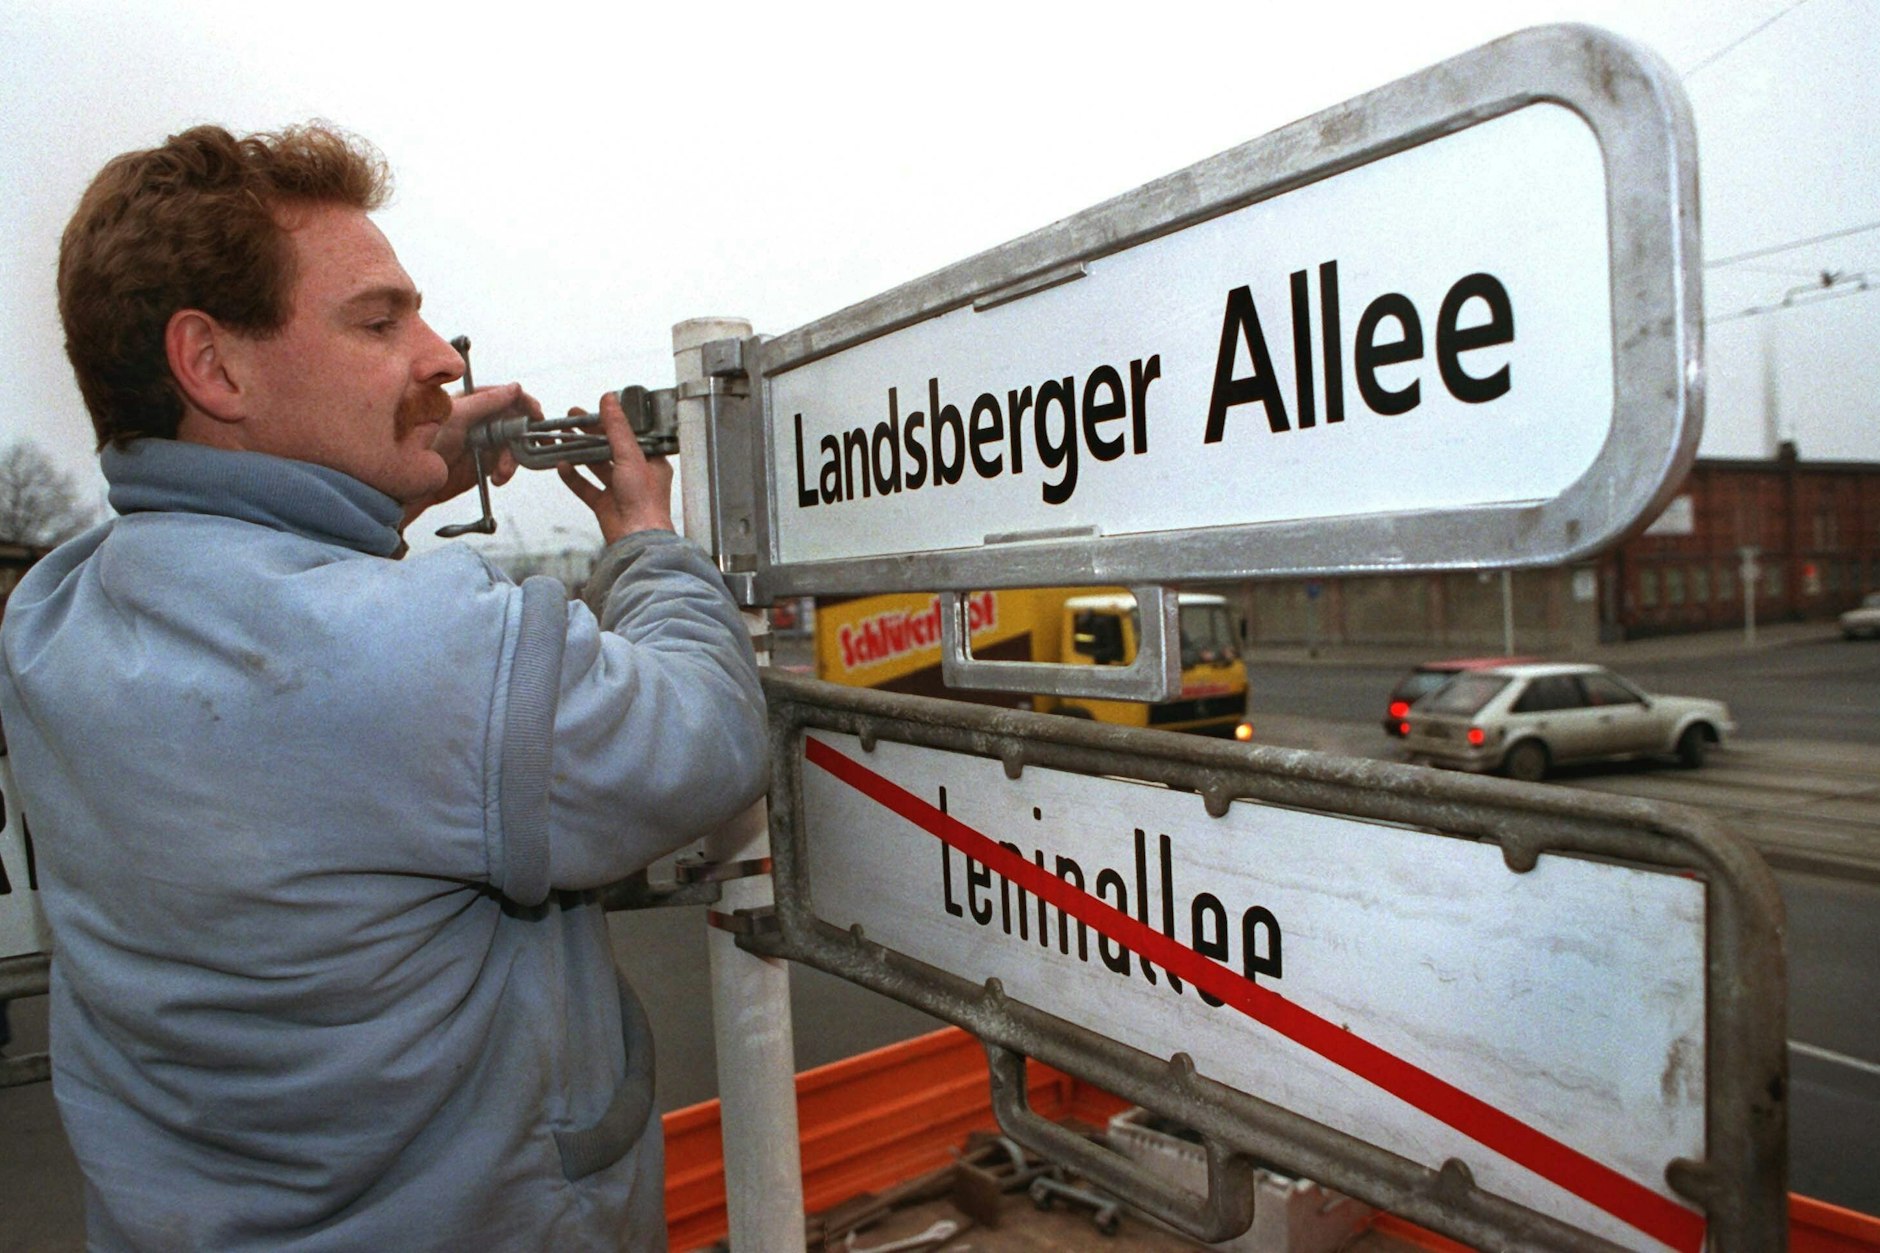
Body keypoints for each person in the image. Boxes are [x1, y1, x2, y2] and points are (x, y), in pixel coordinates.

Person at [0, 123, 767, 1250]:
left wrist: (385, 480)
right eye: (377, 321)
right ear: (212, 365)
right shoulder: (424, 650)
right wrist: (649, 546)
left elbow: (261, 581)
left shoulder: (53, 616)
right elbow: (706, 734)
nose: (441, 358)